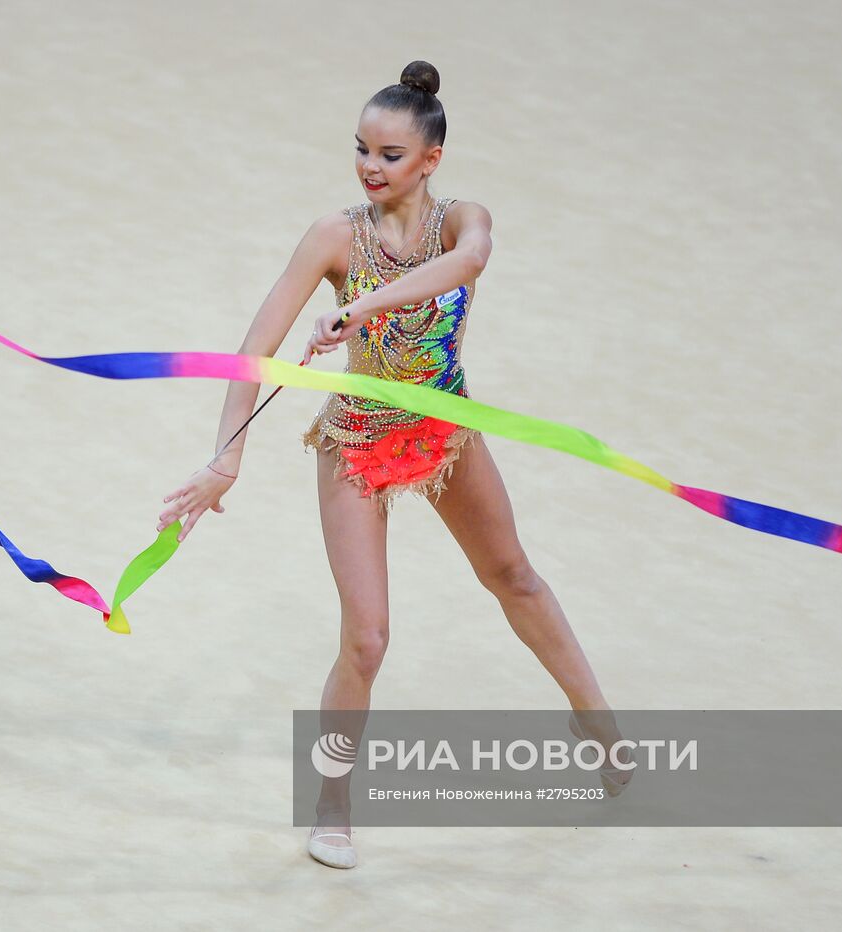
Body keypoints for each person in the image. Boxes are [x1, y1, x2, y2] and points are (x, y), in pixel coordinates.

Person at [156, 60, 632, 870]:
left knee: (514, 575)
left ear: (430, 161)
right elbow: (253, 350)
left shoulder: (460, 220)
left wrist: (363, 305)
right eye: (362, 151)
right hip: (356, 441)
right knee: (369, 638)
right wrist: (226, 457)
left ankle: (597, 722)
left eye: (389, 155)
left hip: (443, 429)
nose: (371, 168)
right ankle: (333, 800)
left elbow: (468, 263)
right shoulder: (335, 235)